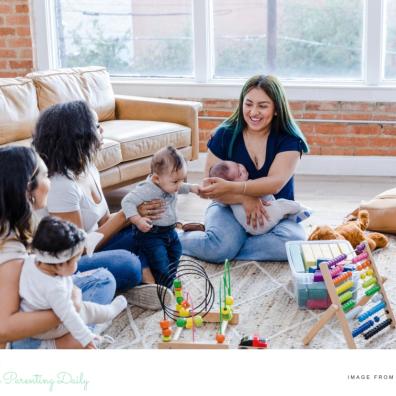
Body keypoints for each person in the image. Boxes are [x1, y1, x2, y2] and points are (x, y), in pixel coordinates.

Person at [32, 100, 171, 309]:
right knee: (128, 263)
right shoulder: (61, 185)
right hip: (66, 263)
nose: (102, 129)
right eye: (96, 126)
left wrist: (136, 212)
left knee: (154, 232)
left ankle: (137, 284)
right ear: (79, 135)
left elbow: (105, 221)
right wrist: (126, 215)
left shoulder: (88, 168)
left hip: (92, 247)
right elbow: (75, 251)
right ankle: (129, 282)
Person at [179, 75, 310, 263]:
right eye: (249, 104)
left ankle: (223, 244)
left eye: (262, 106)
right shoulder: (224, 134)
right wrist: (243, 198)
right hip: (228, 206)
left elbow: (274, 184)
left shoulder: (289, 140)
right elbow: (209, 187)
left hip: (275, 210)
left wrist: (240, 191)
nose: (254, 112)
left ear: (276, 109)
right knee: (220, 248)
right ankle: (173, 239)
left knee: (293, 245)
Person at [0, 146, 116, 349]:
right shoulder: (10, 251)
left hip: (32, 301)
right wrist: (67, 309)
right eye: (46, 176)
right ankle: (52, 346)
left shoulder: (13, 224)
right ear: (28, 189)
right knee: (102, 283)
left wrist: (71, 296)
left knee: (103, 279)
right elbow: (4, 328)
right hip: (14, 335)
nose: (50, 183)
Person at [20, 216, 128, 349]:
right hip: (47, 330)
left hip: (31, 324)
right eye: (75, 261)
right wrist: (86, 338)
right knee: (86, 310)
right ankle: (108, 313)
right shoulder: (55, 288)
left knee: (98, 284)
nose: (77, 264)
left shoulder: (30, 261)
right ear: (60, 265)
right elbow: (69, 316)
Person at [121, 146, 199, 286]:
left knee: (176, 252)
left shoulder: (169, 183)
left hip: (170, 230)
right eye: (175, 181)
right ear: (156, 178)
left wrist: (193, 188)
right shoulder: (146, 189)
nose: (179, 185)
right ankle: (165, 287)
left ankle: (170, 276)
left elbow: (181, 186)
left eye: (182, 179)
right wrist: (138, 220)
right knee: (160, 260)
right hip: (152, 234)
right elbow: (127, 202)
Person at [208, 160, 311, 235]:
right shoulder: (248, 185)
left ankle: (290, 217)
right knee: (283, 204)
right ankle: (300, 209)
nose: (242, 168)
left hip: (250, 228)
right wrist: (245, 198)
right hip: (263, 218)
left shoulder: (227, 197)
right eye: (240, 174)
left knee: (278, 211)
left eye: (238, 164)